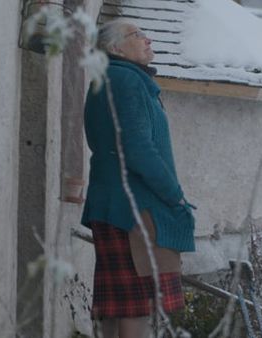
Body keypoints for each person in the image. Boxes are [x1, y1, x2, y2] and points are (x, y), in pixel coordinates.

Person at [81, 18, 196, 338]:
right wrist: (174, 195)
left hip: (114, 204)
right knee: (136, 307)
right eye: (137, 35)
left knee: (118, 308)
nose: (148, 39)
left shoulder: (109, 79)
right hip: (133, 208)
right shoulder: (125, 80)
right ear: (115, 48)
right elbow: (138, 149)